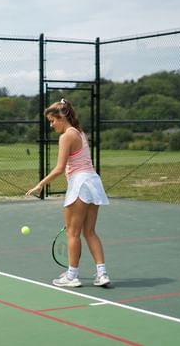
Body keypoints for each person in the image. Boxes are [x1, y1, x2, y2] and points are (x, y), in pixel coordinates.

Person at [26, 98, 110, 288]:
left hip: (80, 184)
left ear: (62, 117)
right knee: (89, 232)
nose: (51, 124)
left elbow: (59, 168)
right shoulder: (80, 133)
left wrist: (40, 185)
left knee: (73, 233)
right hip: (94, 183)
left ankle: (72, 276)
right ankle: (102, 274)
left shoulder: (66, 137)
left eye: (52, 120)